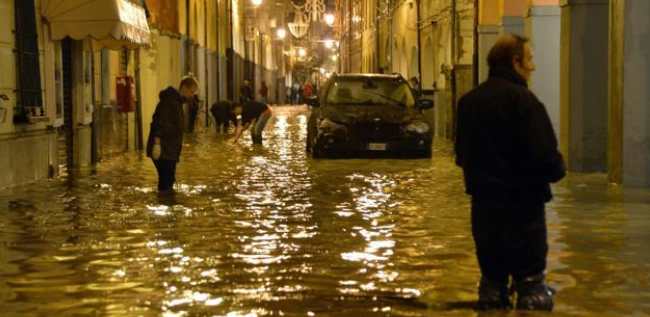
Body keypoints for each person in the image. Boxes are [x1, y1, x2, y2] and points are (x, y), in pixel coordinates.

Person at [455, 34, 566, 311]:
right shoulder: (526, 102)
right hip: (524, 210)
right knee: (533, 297)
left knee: (491, 291)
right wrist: (557, 169)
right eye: (529, 59)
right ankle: (530, 290)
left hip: (485, 209)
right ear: (515, 62)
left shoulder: (468, 103)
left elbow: (461, 156)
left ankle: (493, 292)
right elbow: (546, 156)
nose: (533, 67)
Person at [146, 76, 199, 193]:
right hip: (164, 150)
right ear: (184, 88)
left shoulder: (177, 102)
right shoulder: (169, 101)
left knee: (167, 181)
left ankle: (166, 203)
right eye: (191, 92)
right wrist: (157, 144)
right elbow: (159, 122)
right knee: (166, 182)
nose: (192, 95)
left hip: (169, 150)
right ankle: (166, 203)